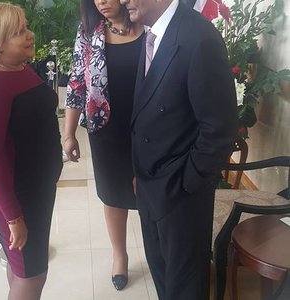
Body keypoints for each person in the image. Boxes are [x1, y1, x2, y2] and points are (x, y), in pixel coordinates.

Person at [119, 0, 238, 299]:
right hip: (149, 187)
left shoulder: (199, 38)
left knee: (185, 288)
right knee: (163, 280)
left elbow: (219, 130)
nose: (122, 0)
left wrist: (185, 184)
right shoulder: (150, 35)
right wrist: (140, 174)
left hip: (180, 197)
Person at [0, 3, 63, 300]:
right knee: (32, 274)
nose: (30, 35)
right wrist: (13, 217)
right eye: (19, 31)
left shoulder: (19, 69)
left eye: (26, 27)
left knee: (23, 268)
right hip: (15, 193)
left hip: (35, 188)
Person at [64, 0, 144, 291]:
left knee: (150, 192)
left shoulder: (149, 24)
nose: (101, 1)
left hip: (151, 128)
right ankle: (119, 255)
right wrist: (69, 133)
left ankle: (158, 252)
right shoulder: (88, 32)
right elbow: (76, 84)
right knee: (113, 196)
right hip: (106, 129)